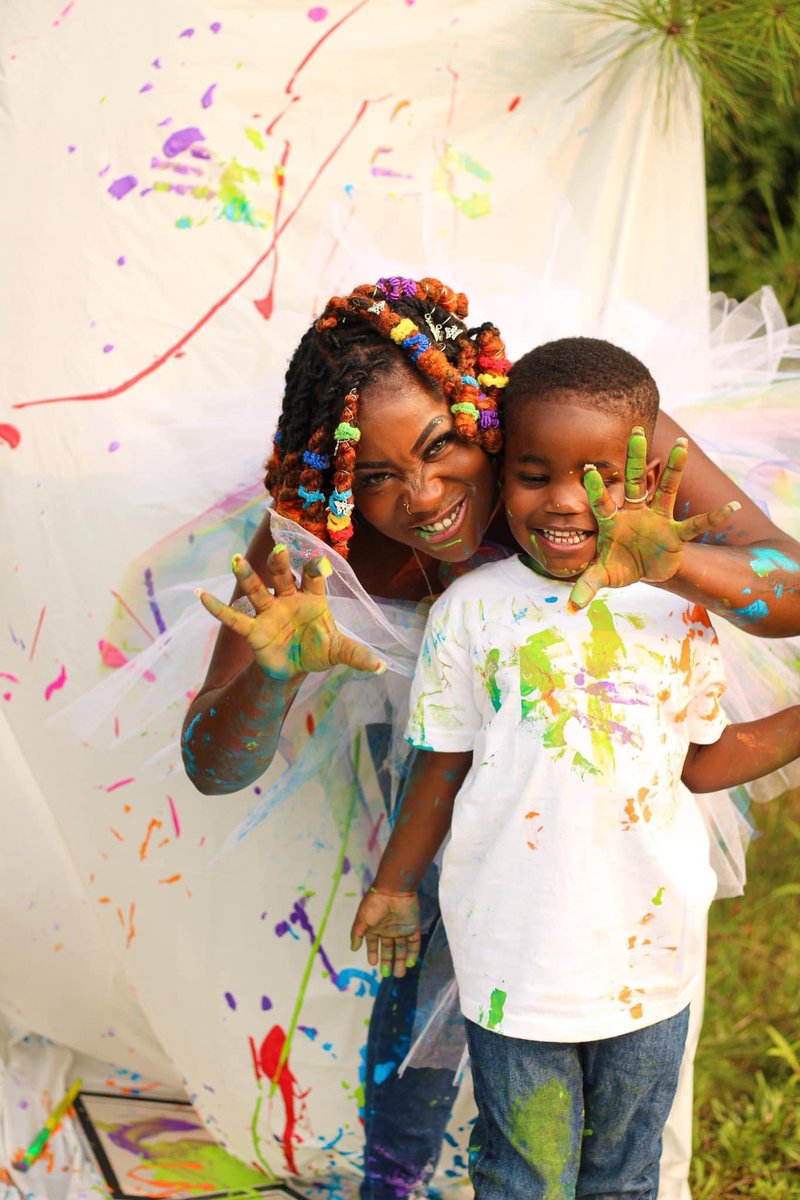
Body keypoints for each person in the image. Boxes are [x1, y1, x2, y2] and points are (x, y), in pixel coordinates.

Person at [184, 277, 800, 1199]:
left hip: (612, 696)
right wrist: (272, 677)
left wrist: (673, 562)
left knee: (606, 927)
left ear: (486, 414)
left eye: (442, 449)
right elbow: (210, 765)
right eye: (375, 477)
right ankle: (393, 1173)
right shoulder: (314, 539)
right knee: (427, 922)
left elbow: (788, 589)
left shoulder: (578, 436)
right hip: (437, 702)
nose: (425, 497)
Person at [349, 336, 800, 1200]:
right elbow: (440, 761)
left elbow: (702, 764)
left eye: (597, 478)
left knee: (626, 1171)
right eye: (533, 473)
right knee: (523, 1171)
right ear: (498, 467)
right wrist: (397, 883)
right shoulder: (472, 611)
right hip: (513, 962)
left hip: (650, 958)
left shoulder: (679, 612)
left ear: (647, 475)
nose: (566, 502)